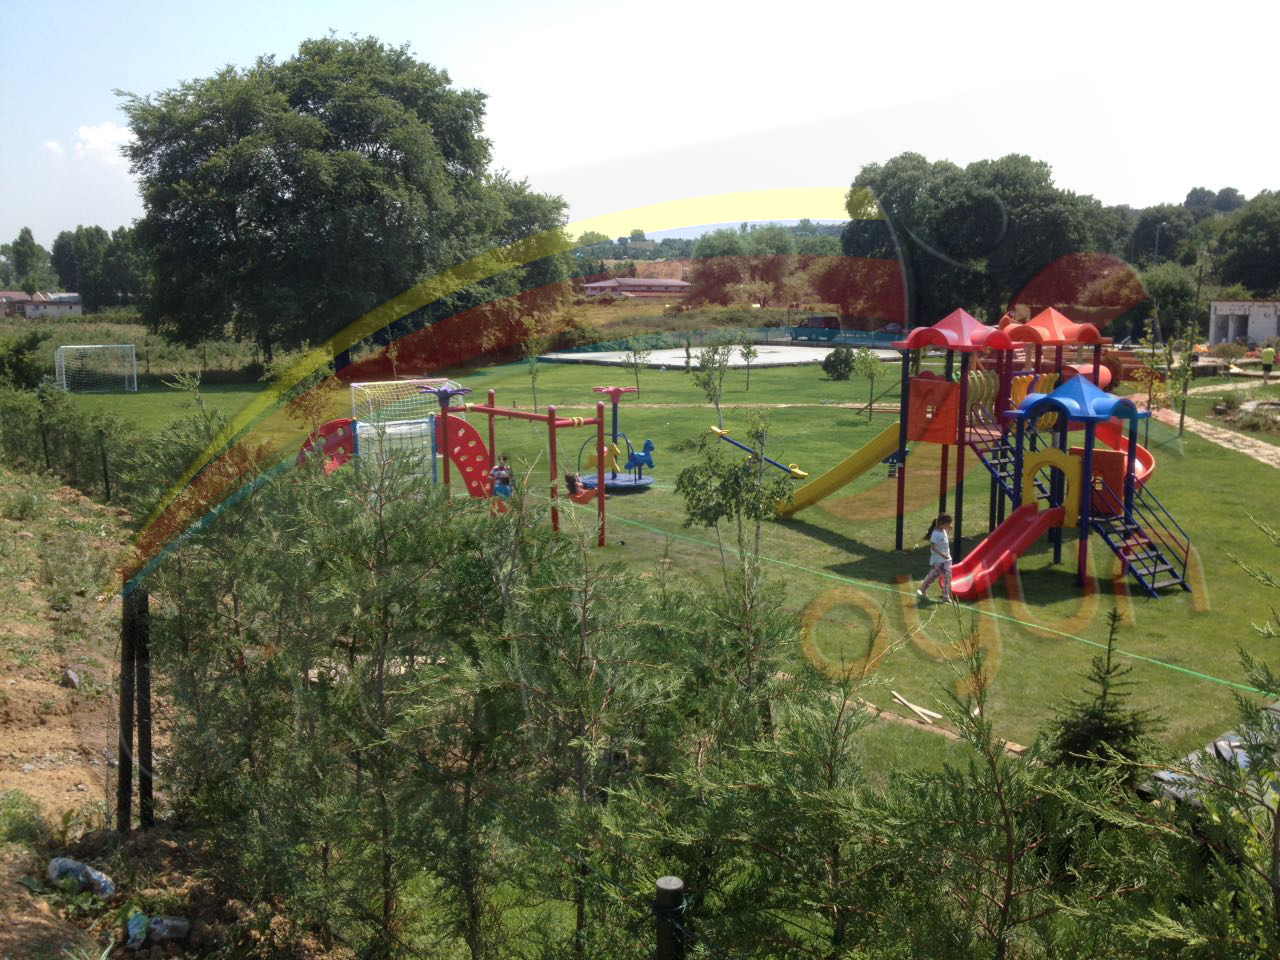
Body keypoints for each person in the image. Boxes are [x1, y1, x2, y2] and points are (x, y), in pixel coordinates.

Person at [917, 514, 954, 602]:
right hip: (938, 560)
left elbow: (948, 531)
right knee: (932, 577)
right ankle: (922, 589)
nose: (949, 526)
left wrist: (949, 527)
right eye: (948, 524)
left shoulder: (943, 529)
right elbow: (933, 548)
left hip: (947, 559)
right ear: (942, 523)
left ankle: (946, 596)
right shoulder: (935, 534)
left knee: (948, 576)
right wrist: (942, 555)